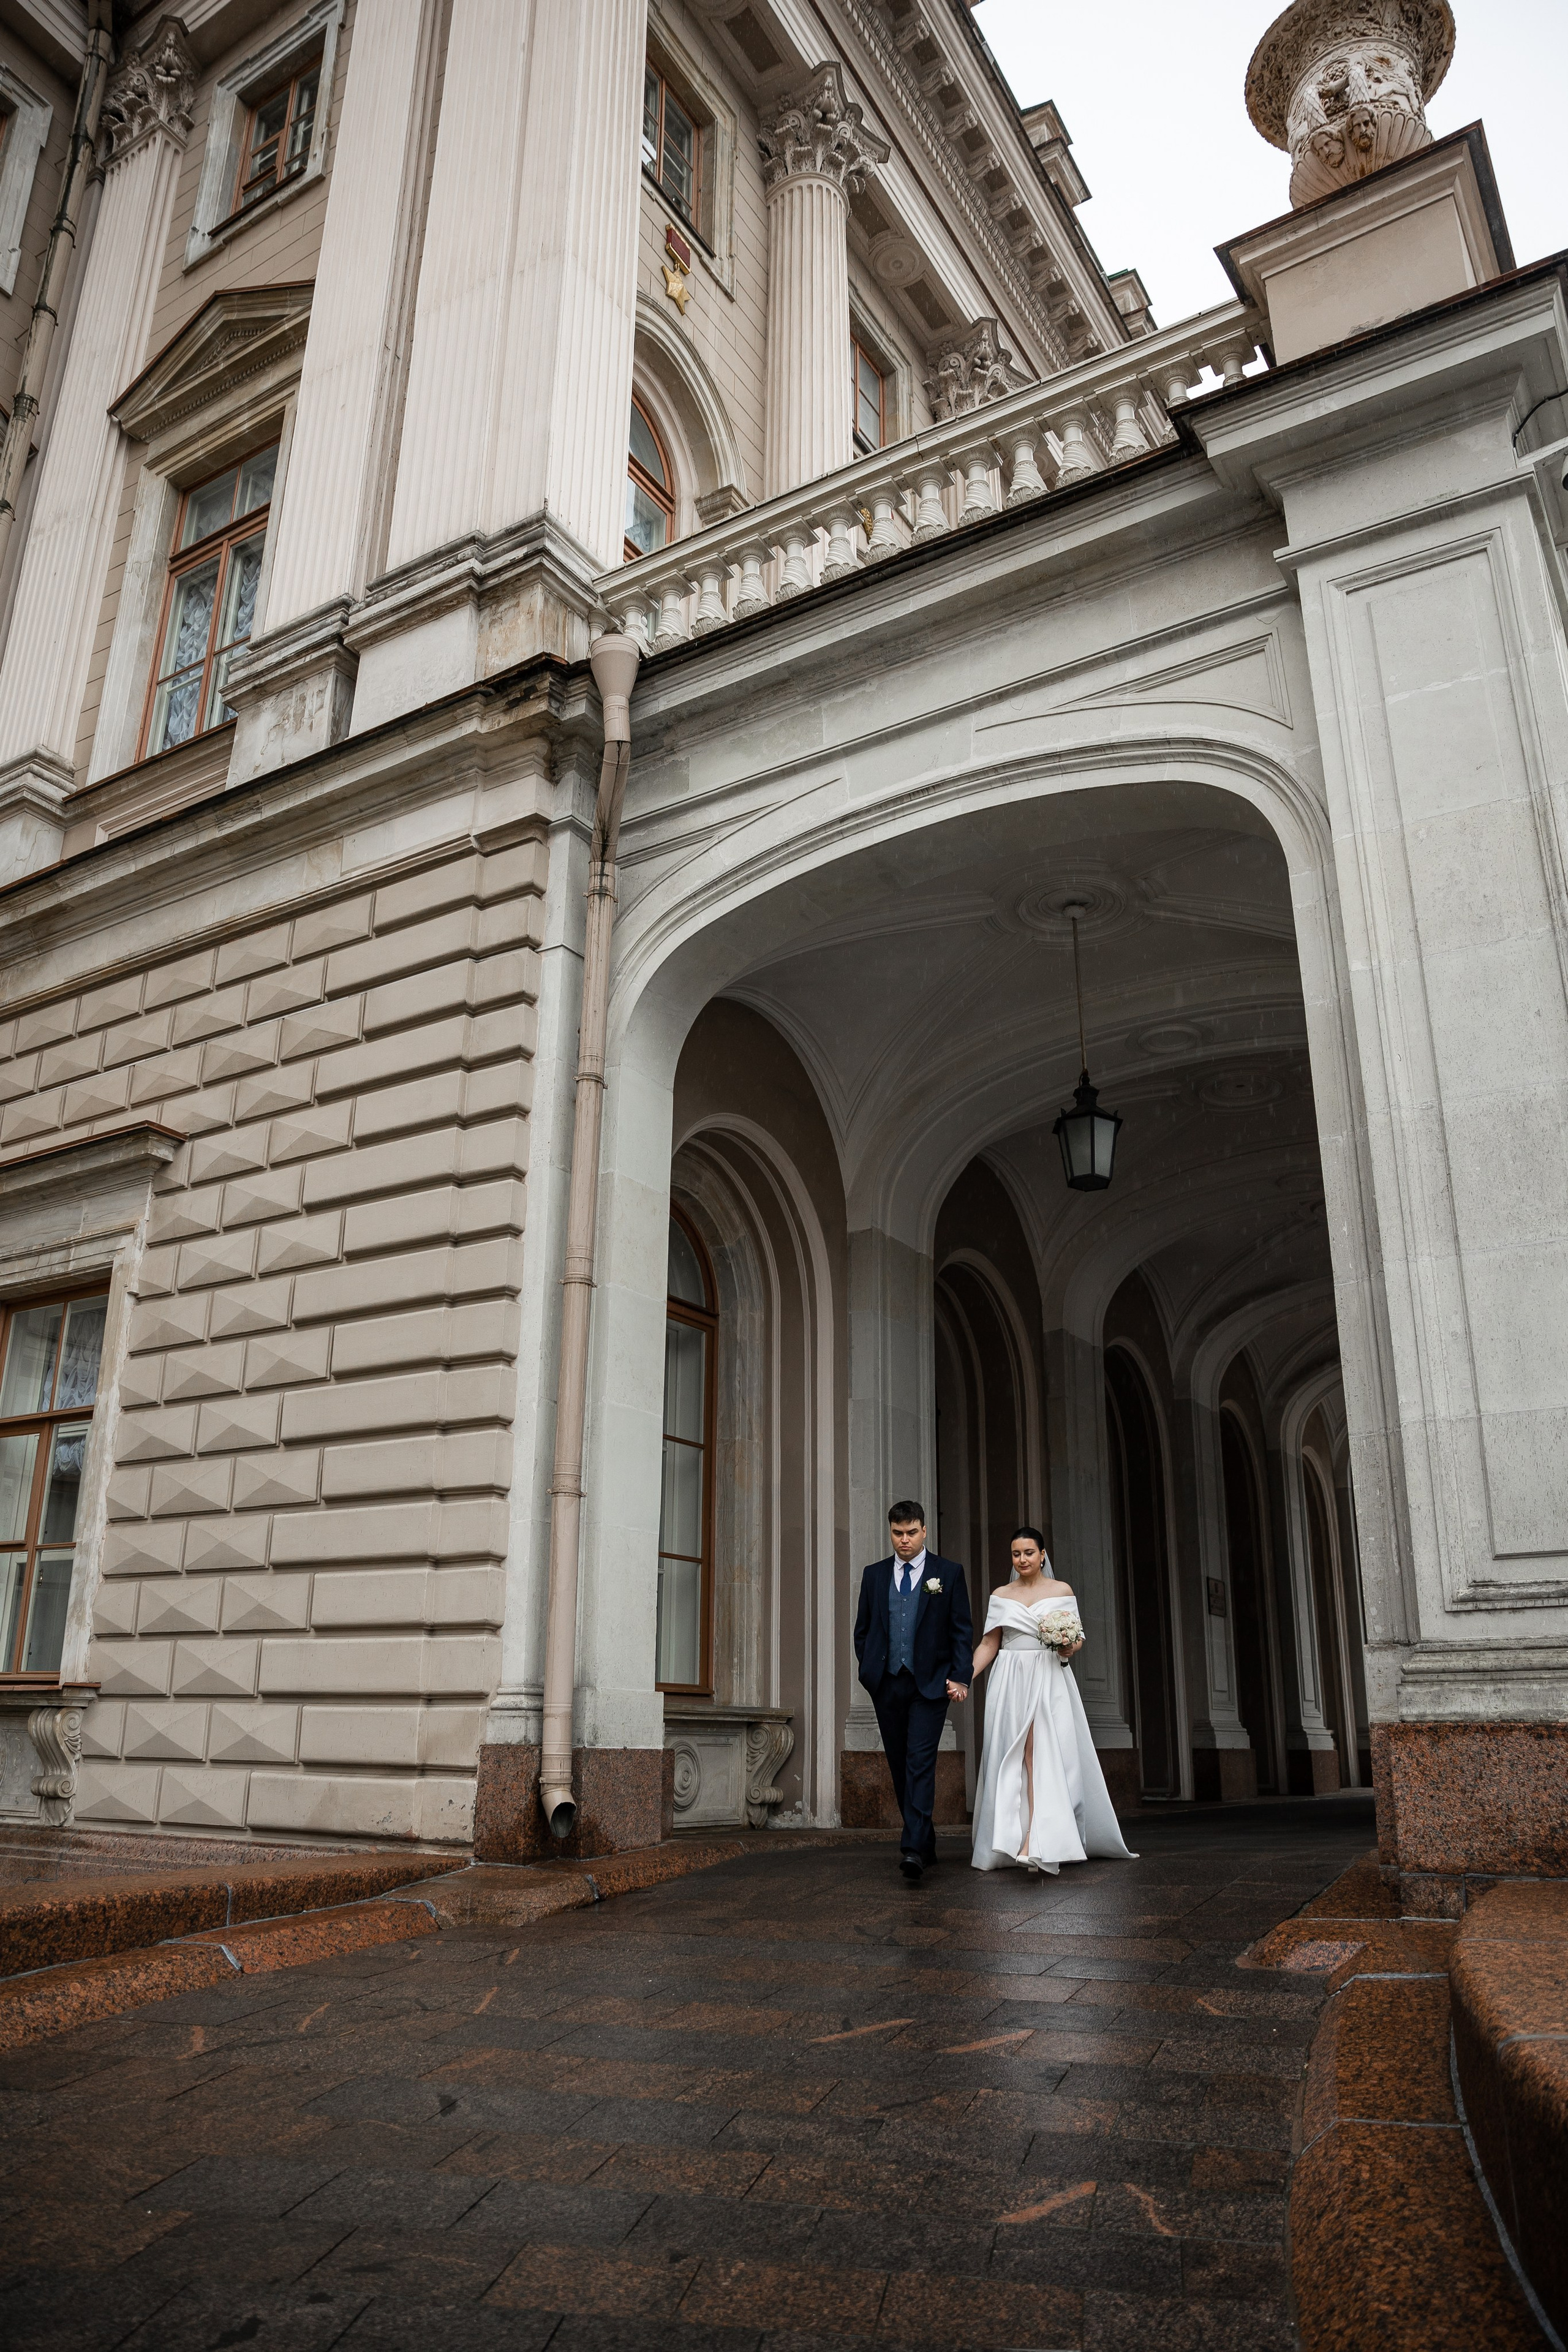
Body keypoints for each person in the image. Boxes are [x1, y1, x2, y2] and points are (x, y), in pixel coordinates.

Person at [969, 1525, 1137, 1874]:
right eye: (1016, 1554)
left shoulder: (1061, 1590)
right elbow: (990, 1644)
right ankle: (1017, 1838)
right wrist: (962, 1678)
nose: (1022, 1559)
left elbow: (1075, 1640)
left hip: (1048, 1676)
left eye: (1029, 1553)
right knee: (1015, 1753)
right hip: (1011, 1679)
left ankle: (1035, 1838)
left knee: (1036, 1752)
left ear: (1042, 1555)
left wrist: (1066, 1645)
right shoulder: (1001, 1594)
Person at [853, 1501, 973, 1883]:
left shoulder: (948, 1574)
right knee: (899, 1763)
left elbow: (961, 1630)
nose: (904, 1540)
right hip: (888, 1683)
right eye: (897, 1533)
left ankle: (913, 1849)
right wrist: (872, 1671)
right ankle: (926, 1838)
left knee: (920, 1761)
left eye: (911, 1533)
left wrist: (961, 1676)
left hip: (931, 1685)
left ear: (924, 1532)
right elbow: (864, 1630)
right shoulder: (874, 1576)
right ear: (890, 1532)